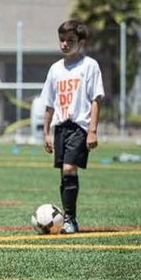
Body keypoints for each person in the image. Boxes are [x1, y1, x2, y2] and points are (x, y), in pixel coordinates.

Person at [41, 19, 104, 234]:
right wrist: (46, 132)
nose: (65, 44)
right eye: (62, 40)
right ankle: (67, 218)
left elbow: (96, 99)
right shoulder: (55, 69)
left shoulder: (89, 66)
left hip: (79, 126)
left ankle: (70, 219)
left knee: (69, 169)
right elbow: (49, 104)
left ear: (81, 42)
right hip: (60, 127)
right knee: (63, 173)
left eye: (71, 40)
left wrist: (92, 131)